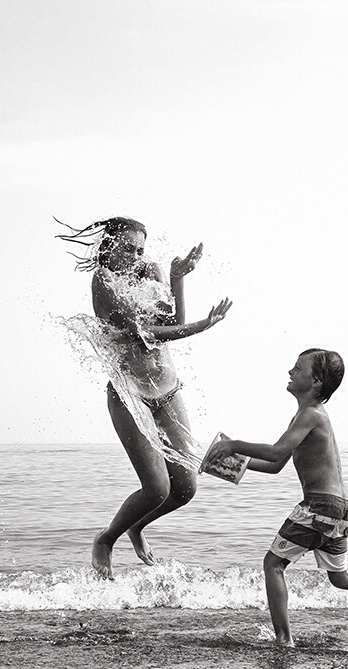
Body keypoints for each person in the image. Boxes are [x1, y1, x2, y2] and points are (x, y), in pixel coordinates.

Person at [206, 349, 348, 645]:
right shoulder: (306, 416)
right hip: (339, 507)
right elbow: (274, 465)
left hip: (320, 505)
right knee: (342, 578)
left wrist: (234, 444)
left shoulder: (311, 414)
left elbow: (274, 451)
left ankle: (284, 639)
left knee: (273, 564)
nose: (290, 371)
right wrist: (226, 465)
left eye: (298, 368)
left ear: (316, 381)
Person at [57, 217, 232, 579]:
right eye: (128, 249)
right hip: (129, 396)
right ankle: (106, 540)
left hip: (168, 391)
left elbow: (171, 319)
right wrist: (202, 326)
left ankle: (137, 528)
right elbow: (143, 335)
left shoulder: (149, 270)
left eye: (140, 249)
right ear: (110, 247)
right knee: (156, 489)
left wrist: (176, 278)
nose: (136, 256)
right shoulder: (103, 281)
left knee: (185, 488)